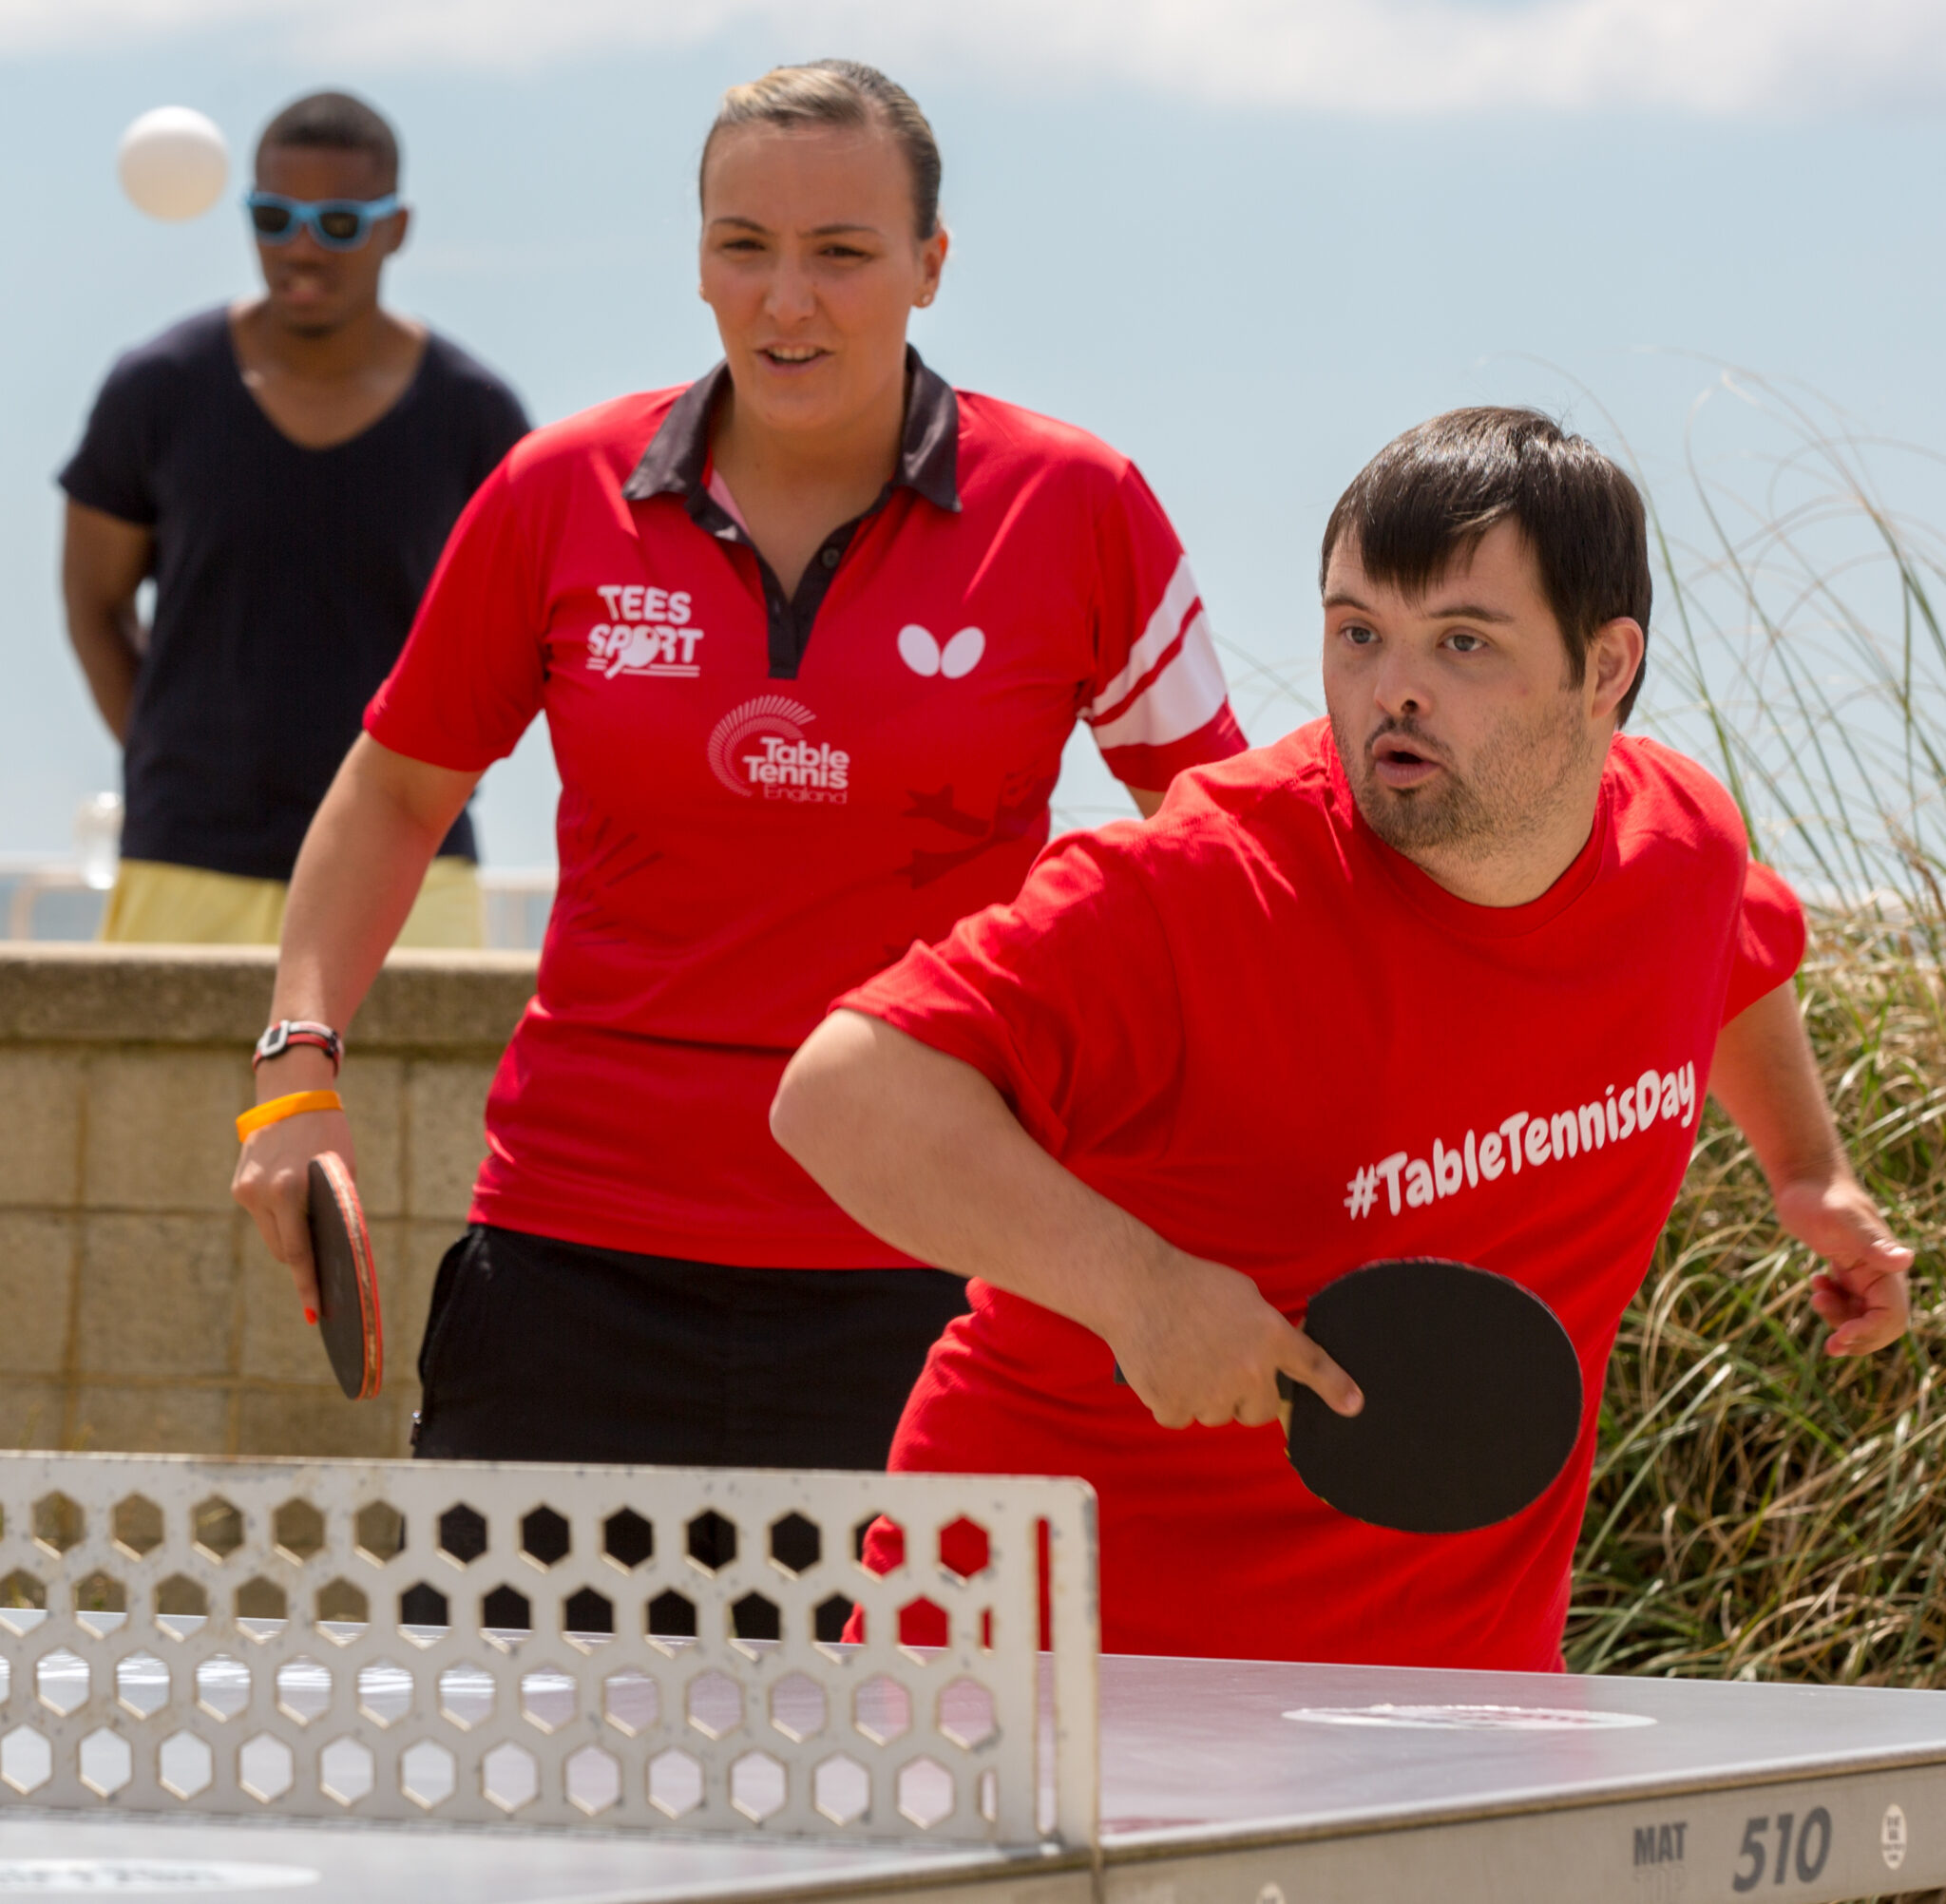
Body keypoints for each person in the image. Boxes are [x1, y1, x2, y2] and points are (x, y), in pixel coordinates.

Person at [773, 407, 1916, 1667]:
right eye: (1357, 632)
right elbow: (843, 1093)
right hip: (1042, 1670)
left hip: (1452, 1689)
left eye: (1462, 642)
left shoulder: (1679, 846)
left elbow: (1735, 951)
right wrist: (1140, 1294)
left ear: (1605, 668)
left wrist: (1808, 1171)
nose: (1393, 689)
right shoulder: (1205, 888)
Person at [231, 62, 1248, 1477]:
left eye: (841, 253)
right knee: (515, 1646)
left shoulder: (1078, 508)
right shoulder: (553, 492)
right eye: (745, 246)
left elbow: (1215, 847)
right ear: (699, 258)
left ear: (929, 266)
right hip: (572, 1263)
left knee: (926, 1649)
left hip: (936, 1264)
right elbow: (399, 791)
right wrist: (297, 1070)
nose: (787, 301)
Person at [59, 90, 528, 946]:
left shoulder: (473, 415)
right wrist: (169, 759)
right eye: (275, 218)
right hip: (187, 860)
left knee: (430, 1049)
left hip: (409, 858)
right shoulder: (158, 389)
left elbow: (520, 636)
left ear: (396, 228)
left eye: (339, 224)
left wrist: (432, 779)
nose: (301, 248)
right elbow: (94, 604)